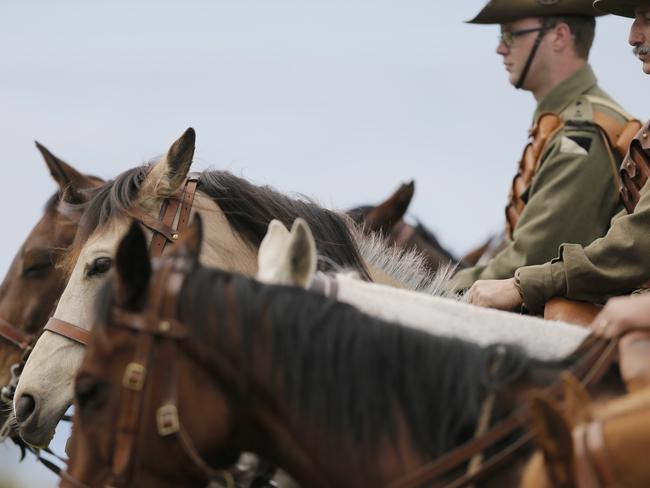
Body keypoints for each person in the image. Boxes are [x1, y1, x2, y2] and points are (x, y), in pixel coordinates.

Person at [466, 2, 650, 316]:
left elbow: (534, 254)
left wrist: (437, 290)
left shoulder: (583, 132)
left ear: (559, 36)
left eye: (510, 35)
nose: (632, 37)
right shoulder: (562, 125)